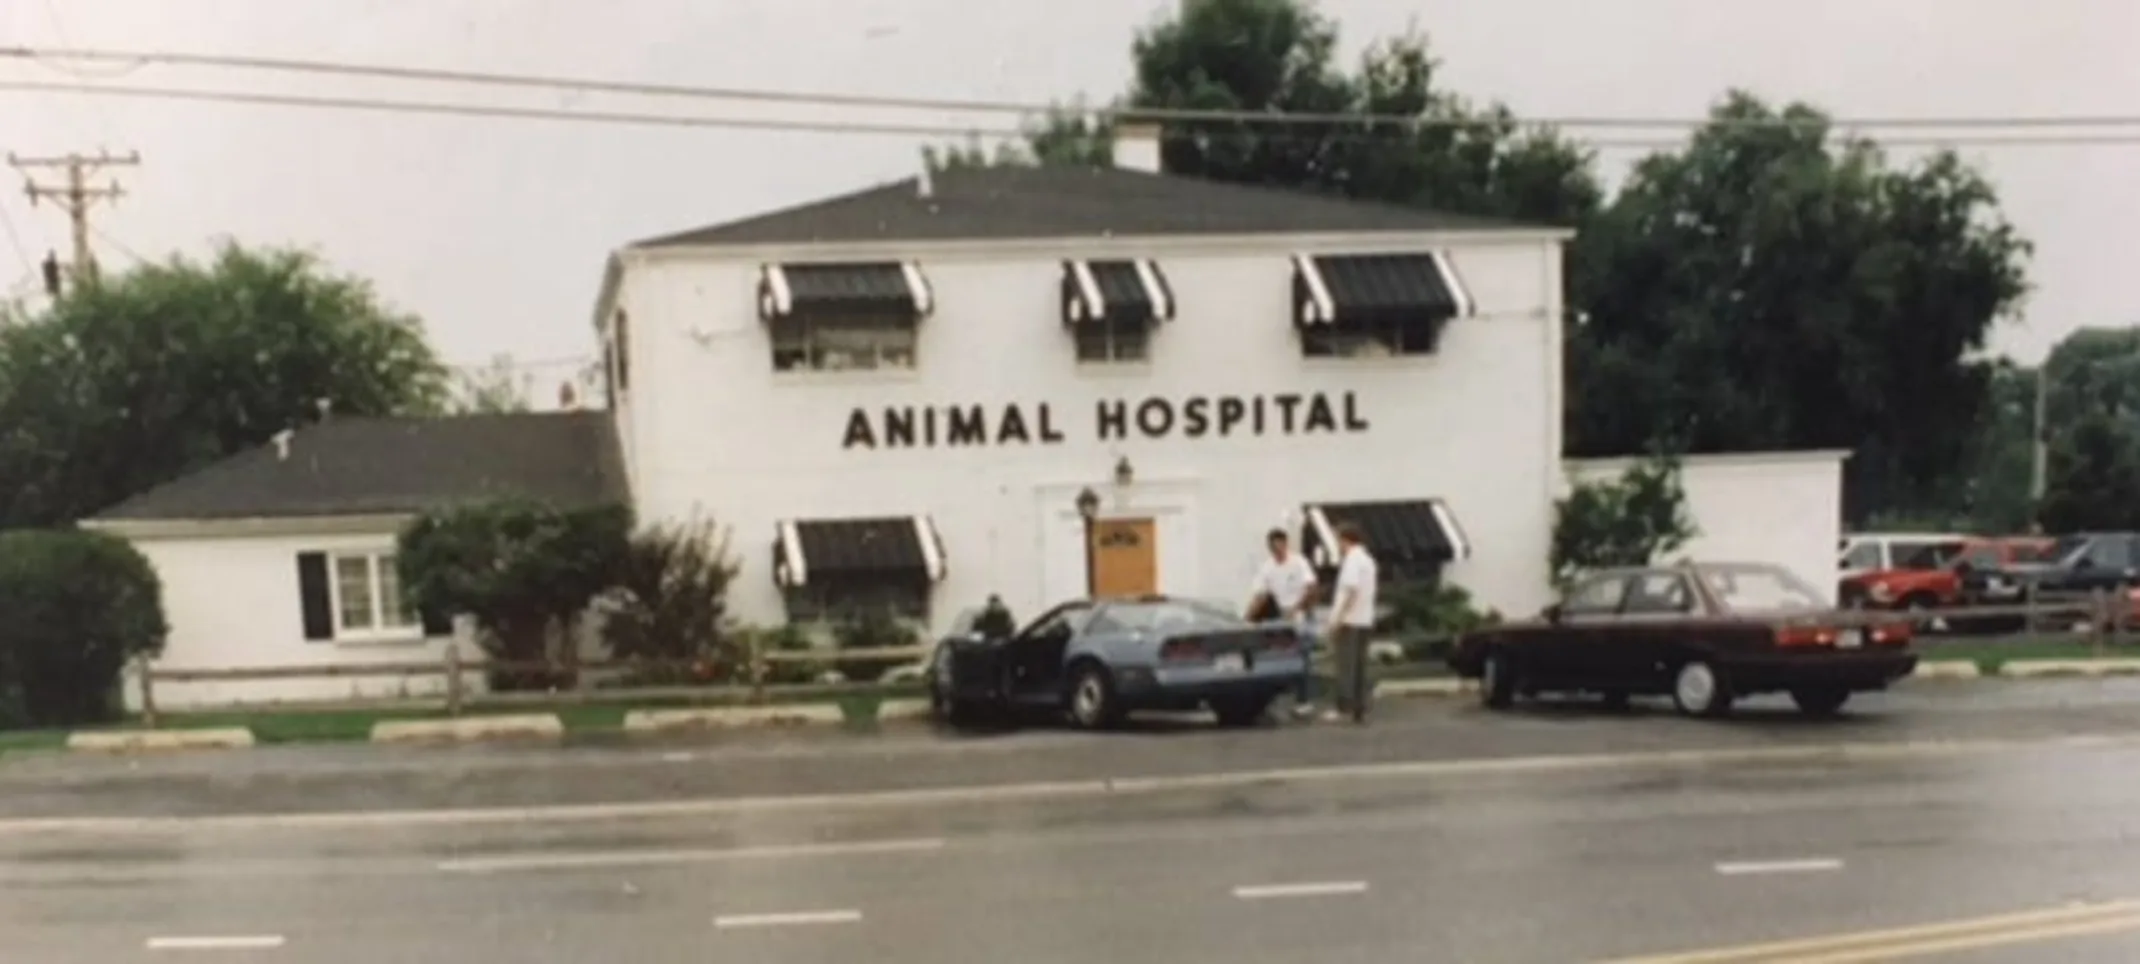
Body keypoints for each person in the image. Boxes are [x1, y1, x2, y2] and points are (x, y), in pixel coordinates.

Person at [1244, 528, 1318, 719]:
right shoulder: (1267, 567)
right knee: (1277, 658)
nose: (1277, 550)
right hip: (1281, 618)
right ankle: (1274, 702)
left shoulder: (1299, 562)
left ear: (1286, 544)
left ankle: (1304, 701)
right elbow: (1260, 594)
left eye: (1280, 545)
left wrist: (1297, 608)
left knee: (1303, 659)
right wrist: (1247, 618)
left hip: (1300, 615)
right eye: (1273, 547)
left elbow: (1310, 587)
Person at [1326, 522, 1379, 724]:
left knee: (1345, 665)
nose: (1337, 545)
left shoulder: (1352, 561)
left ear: (1345, 539)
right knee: (1359, 665)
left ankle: (1344, 706)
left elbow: (1350, 590)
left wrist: (1338, 619)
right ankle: (1359, 706)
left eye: (1338, 540)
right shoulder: (1368, 560)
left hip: (1350, 620)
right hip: (1365, 618)